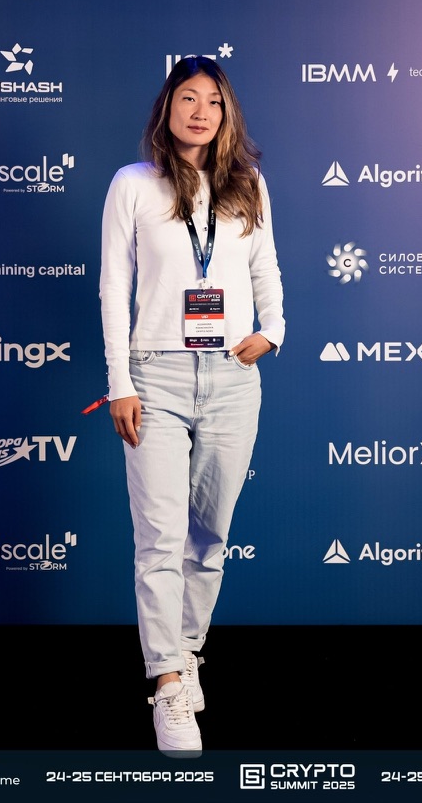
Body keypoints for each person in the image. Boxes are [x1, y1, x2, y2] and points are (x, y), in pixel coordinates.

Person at [99, 55, 285, 757]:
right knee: (160, 537)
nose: (200, 111)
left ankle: (187, 648)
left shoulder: (247, 184)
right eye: (187, 97)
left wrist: (273, 330)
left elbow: (265, 267)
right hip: (157, 377)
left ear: (226, 113)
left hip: (233, 379)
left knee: (209, 537)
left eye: (213, 100)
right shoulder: (133, 184)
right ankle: (168, 684)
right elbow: (114, 287)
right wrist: (121, 382)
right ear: (167, 107)